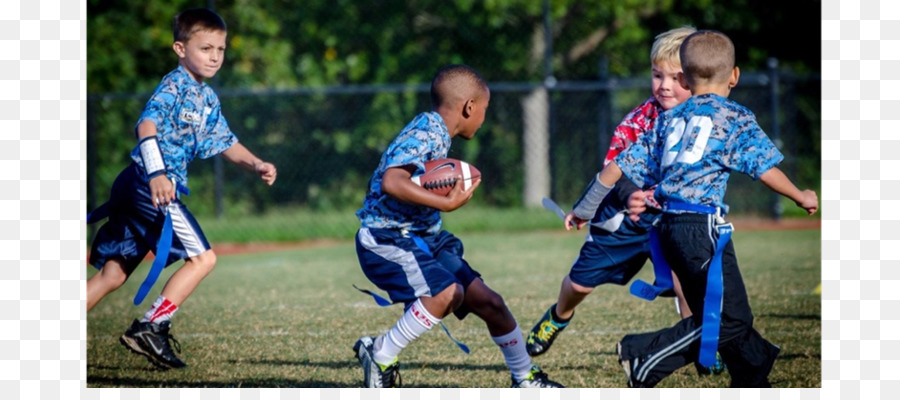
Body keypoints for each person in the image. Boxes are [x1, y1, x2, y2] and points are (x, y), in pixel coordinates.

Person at [562, 30, 818, 387]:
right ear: (734, 76)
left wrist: (584, 208)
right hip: (700, 229)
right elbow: (763, 168)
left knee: (726, 313)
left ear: (685, 75)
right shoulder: (733, 116)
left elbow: (616, 167)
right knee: (730, 319)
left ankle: (754, 375)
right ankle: (644, 354)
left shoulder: (667, 120)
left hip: (667, 230)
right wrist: (799, 195)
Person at [86, 8, 277, 370]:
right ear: (179, 48)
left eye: (220, 50)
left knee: (113, 275)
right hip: (149, 184)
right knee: (204, 258)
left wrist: (255, 163)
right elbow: (146, 126)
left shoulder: (206, 98)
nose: (215, 57)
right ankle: (150, 326)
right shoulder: (174, 87)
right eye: (205, 48)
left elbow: (224, 141)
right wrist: (158, 174)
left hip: (139, 182)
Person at [352, 64, 563, 388]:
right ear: (469, 107)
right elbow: (392, 181)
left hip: (424, 238)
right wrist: (446, 203)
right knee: (448, 293)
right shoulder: (427, 130)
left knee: (490, 302)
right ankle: (379, 352)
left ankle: (525, 379)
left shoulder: (436, 133)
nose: (484, 117)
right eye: (485, 109)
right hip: (387, 236)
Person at [526, 26, 721, 372]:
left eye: (677, 78)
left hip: (676, 218)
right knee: (579, 283)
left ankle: (699, 346)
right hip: (627, 223)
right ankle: (558, 315)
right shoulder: (638, 121)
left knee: (686, 280)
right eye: (657, 75)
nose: (664, 85)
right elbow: (616, 172)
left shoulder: (707, 119)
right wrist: (630, 195)